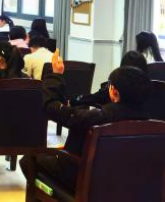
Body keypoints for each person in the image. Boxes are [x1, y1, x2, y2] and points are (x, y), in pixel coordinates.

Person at [20, 52, 151, 195]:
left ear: (113, 91)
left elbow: (51, 107)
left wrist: (55, 75)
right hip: (127, 184)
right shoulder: (152, 125)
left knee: (28, 159)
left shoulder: (95, 119)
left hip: (86, 181)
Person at [71, 51, 148, 107]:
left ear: (122, 69)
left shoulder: (113, 89)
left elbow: (91, 98)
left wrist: (73, 100)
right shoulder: (151, 89)